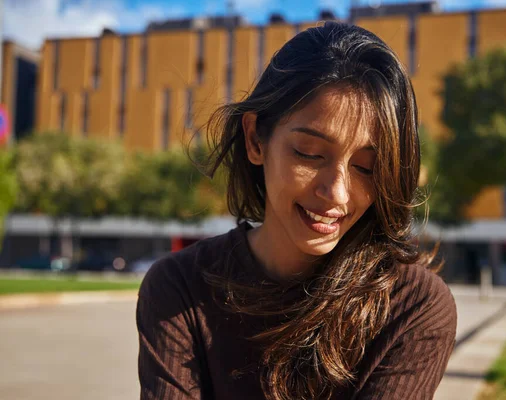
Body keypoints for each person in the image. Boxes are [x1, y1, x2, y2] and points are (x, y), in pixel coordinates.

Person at [136, 21, 457, 400]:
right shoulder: (180, 288)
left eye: (366, 167)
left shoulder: (413, 305)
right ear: (256, 139)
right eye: (309, 153)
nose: (336, 192)